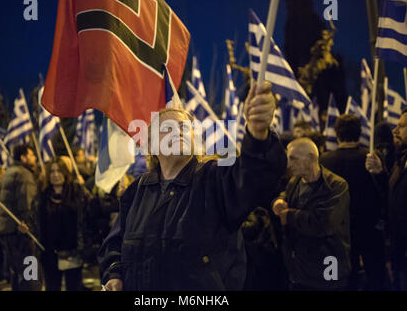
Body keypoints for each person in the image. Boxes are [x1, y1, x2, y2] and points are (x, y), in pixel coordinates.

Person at [98, 82, 287, 291]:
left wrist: (258, 135)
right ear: (151, 145)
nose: (177, 132)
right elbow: (113, 245)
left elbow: (255, 176)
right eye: (167, 129)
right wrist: (114, 274)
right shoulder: (136, 193)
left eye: (184, 128)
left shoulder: (215, 180)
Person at [273, 138, 351, 290]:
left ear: (310, 158)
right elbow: (286, 196)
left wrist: (288, 215)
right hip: (300, 267)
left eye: (293, 159)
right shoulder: (294, 181)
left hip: (328, 264)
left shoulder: (336, 185)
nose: (288, 165)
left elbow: (324, 223)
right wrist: (279, 201)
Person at [321, 114, 386, 290]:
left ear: (337, 134)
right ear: (359, 132)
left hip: (338, 229)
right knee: (376, 275)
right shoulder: (371, 157)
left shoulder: (325, 160)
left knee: (341, 276)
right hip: (368, 226)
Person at [366, 108, 407, 290]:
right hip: (398, 248)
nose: (395, 131)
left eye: (402, 126)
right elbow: (393, 195)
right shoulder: (402, 160)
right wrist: (381, 173)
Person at [37, 156, 92, 291]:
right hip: (50, 254)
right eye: (52, 171)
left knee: (74, 287)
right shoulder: (42, 197)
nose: (55, 175)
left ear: (65, 173)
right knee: (52, 287)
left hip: (72, 253)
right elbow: (35, 222)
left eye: (59, 171)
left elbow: (88, 218)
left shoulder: (77, 193)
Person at [0, 145, 42, 291]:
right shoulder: (24, 174)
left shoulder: (9, 172)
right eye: (32, 155)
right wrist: (30, 229)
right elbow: (27, 204)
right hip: (23, 233)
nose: (35, 158)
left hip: (9, 231)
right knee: (31, 274)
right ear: (23, 158)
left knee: (18, 274)